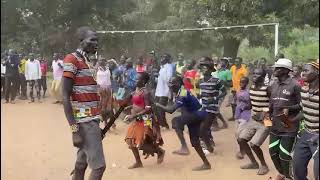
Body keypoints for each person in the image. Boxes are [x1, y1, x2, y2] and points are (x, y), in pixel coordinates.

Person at [62, 26, 106, 180]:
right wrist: (74, 130)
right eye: (92, 40)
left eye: (97, 40)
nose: (96, 43)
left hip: (91, 120)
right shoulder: (72, 59)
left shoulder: (86, 61)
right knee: (99, 167)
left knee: (81, 163)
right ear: (81, 41)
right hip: (84, 121)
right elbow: (65, 96)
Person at [156, 76, 211, 171]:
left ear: (179, 83)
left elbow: (171, 110)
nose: (171, 85)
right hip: (193, 116)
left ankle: (184, 147)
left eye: (173, 83)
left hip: (197, 115)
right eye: (170, 83)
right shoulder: (178, 92)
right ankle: (206, 164)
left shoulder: (183, 92)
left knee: (175, 121)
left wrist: (158, 104)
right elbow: (176, 107)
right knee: (195, 142)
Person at [268, 58, 302, 180]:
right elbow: (271, 103)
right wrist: (267, 115)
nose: (275, 70)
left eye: (277, 68)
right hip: (275, 126)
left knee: (284, 154)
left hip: (289, 126)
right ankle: (282, 173)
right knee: (272, 152)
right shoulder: (273, 84)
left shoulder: (296, 85)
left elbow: (302, 105)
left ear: (286, 70)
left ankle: (289, 176)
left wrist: (289, 108)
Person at [124, 72, 165, 169]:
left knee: (143, 142)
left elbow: (148, 109)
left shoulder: (146, 93)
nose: (135, 80)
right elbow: (137, 104)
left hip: (146, 120)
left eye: (137, 79)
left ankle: (159, 151)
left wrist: (134, 116)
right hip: (136, 119)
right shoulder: (136, 91)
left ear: (143, 81)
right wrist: (130, 108)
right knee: (130, 140)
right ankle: (138, 162)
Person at [237, 68, 270, 175]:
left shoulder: (267, 89)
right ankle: (253, 163)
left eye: (258, 74)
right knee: (241, 139)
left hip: (266, 120)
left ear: (263, 76)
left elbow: (273, 104)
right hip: (254, 118)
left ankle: (264, 165)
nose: (254, 76)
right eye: (254, 74)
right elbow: (252, 104)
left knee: (255, 144)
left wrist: (265, 112)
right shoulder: (251, 88)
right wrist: (245, 106)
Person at [293, 61, 319, 180]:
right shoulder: (303, 90)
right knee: (297, 167)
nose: (303, 73)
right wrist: (291, 120)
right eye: (302, 70)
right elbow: (304, 111)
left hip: (318, 136)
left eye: (306, 70)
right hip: (306, 133)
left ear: (317, 72)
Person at [198, 57, 226, 154]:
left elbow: (224, 92)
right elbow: (203, 93)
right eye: (201, 68)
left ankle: (209, 147)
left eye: (204, 67)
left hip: (212, 109)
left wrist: (214, 98)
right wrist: (200, 95)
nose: (202, 69)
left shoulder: (216, 81)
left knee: (203, 129)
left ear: (210, 69)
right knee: (201, 129)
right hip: (203, 108)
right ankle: (209, 146)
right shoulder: (200, 81)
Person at [155, 53, 173, 130]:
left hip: (165, 92)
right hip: (159, 91)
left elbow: (168, 79)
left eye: (163, 58)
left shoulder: (169, 67)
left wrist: (160, 76)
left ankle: (165, 125)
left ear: (167, 59)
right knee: (155, 108)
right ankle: (160, 123)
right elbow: (160, 80)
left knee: (160, 108)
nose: (161, 59)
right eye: (161, 57)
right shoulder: (162, 68)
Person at [211, 58, 230, 130]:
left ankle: (216, 124)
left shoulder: (227, 72)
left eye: (220, 63)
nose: (218, 64)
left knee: (215, 108)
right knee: (214, 108)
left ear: (225, 65)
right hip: (214, 91)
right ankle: (222, 123)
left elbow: (230, 84)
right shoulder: (215, 72)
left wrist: (223, 82)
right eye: (219, 63)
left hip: (222, 92)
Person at [229, 57, 248, 121]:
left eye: (237, 61)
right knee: (232, 103)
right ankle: (233, 116)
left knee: (239, 103)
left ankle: (240, 116)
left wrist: (243, 89)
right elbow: (230, 75)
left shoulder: (244, 70)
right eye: (235, 61)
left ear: (241, 62)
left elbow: (245, 80)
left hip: (239, 89)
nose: (236, 63)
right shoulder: (233, 67)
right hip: (233, 88)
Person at [96, 58, 113, 126]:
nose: (100, 62)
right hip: (101, 90)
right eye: (99, 60)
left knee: (109, 108)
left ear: (105, 62)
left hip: (108, 89)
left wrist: (109, 60)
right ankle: (106, 122)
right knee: (103, 108)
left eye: (102, 60)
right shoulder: (96, 69)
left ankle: (111, 121)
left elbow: (111, 78)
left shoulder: (109, 68)